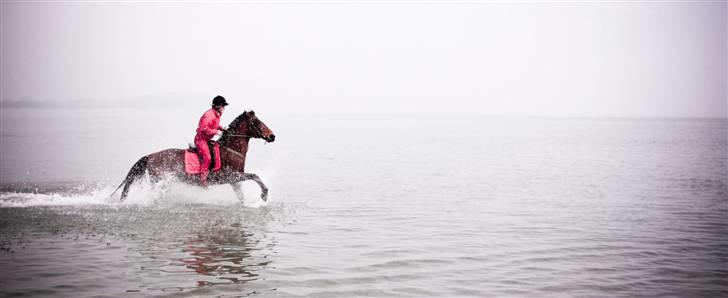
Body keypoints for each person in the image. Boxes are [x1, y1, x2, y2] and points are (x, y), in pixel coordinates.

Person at [194, 95, 228, 186]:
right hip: (201, 140)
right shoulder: (209, 115)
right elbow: (203, 128)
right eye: (223, 106)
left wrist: (221, 128)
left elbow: (213, 125)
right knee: (208, 158)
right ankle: (203, 180)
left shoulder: (216, 114)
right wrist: (217, 132)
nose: (224, 108)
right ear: (218, 106)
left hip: (206, 139)